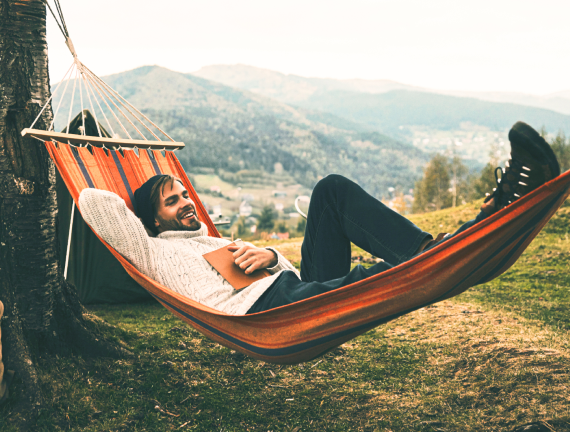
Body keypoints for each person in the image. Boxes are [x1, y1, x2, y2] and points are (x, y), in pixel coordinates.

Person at [78, 122, 560, 315]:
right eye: (170, 201)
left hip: (293, 290)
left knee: (330, 190)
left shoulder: (208, 240)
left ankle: (437, 249)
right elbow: (94, 202)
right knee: (377, 278)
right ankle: (456, 240)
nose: (186, 202)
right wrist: (80, 151)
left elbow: (286, 273)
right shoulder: (152, 249)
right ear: (152, 221)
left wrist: (270, 254)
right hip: (267, 315)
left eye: (185, 193)